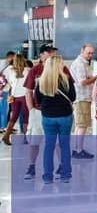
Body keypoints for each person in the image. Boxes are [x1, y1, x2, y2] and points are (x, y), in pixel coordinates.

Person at [23, 45, 69, 180]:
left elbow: (70, 89)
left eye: (53, 53)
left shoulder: (63, 70)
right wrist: (31, 110)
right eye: (50, 53)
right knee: (34, 141)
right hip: (38, 112)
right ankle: (31, 166)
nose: (52, 55)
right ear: (42, 55)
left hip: (57, 113)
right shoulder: (35, 71)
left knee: (58, 142)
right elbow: (28, 91)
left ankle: (62, 165)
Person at [34, 55, 76, 184]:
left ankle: (47, 176)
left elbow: (38, 100)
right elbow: (73, 97)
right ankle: (65, 175)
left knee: (49, 146)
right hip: (65, 116)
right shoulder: (67, 80)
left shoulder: (41, 81)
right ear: (59, 65)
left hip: (48, 117)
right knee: (64, 146)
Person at [70, 45, 97, 159]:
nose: (90, 55)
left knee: (79, 125)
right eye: (88, 53)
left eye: (92, 53)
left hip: (82, 98)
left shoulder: (84, 63)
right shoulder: (80, 64)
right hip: (82, 97)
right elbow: (82, 82)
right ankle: (79, 150)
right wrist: (96, 77)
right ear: (82, 51)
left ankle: (77, 148)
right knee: (82, 125)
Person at [2, 54, 28, 145]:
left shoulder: (9, 70)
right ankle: (25, 138)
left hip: (13, 96)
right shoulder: (27, 70)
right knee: (25, 117)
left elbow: (5, 79)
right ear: (24, 60)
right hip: (25, 96)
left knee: (14, 116)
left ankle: (6, 135)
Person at [0, 50, 14, 130]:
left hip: (3, 90)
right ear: (10, 57)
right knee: (4, 109)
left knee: (3, 109)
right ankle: (3, 127)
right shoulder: (6, 65)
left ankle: (3, 126)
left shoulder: (5, 64)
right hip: (3, 90)